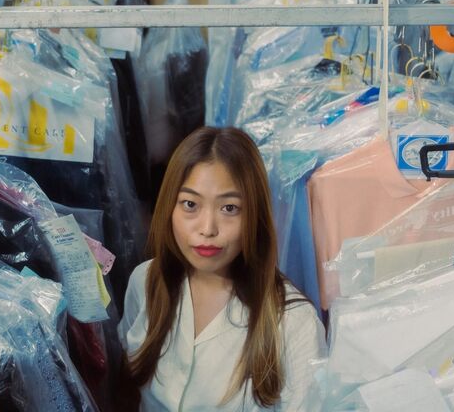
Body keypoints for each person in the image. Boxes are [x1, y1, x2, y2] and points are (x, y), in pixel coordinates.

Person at [119, 127, 327, 411]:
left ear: (254, 214)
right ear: (169, 207)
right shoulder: (145, 281)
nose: (207, 229)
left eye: (229, 208)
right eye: (190, 204)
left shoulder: (293, 322)